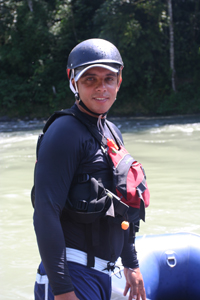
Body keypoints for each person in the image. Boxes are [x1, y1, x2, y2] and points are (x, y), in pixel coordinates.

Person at [33, 38, 148, 300]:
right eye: (90, 80)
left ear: (119, 81)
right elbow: (45, 213)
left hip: (103, 276)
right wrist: (63, 291)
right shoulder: (64, 133)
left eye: (108, 79)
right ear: (73, 80)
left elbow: (121, 204)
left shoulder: (111, 131)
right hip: (73, 276)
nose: (101, 88)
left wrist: (130, 262)